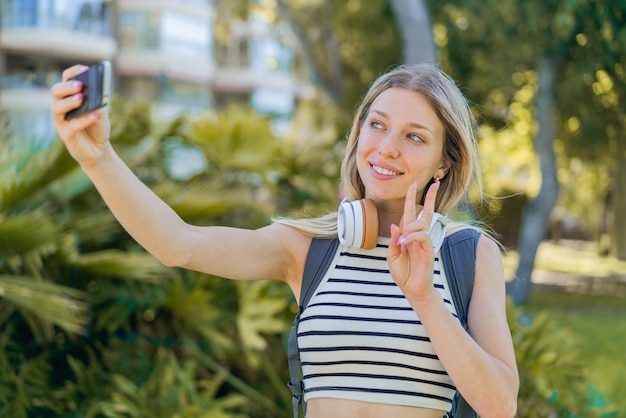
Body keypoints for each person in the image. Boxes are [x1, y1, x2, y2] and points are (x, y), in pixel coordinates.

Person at [51, 63, 519, 418]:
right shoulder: (308, 246)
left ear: (444, 161)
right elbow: (179, 244)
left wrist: (424, 299)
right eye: (377, 125)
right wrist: (98, 158)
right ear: (357, 136)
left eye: (415, 136)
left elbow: (500, 405)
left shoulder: (467, 254)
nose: (388, 147)